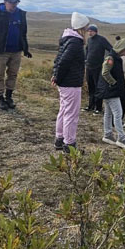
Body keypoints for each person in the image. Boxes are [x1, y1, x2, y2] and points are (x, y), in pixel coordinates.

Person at [0, 0, 32, 110]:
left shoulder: (21, 14)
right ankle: (0, 99)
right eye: (11, 2)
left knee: (13, 74)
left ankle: (9, 97)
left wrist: (25, 48)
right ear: (5, 2)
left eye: (16, 2)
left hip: (16, 51)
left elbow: (23, 33)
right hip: (1, 51)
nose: (14, 5)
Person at [51, 12, 89, 152]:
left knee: (64, 111)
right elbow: (64, 61)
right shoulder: (75, 43)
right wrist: (57, 77)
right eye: (86, 27)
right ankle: (69, 145)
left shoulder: (68, 39)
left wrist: (56, 76)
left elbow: (59, 59)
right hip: (71, 83)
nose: (87, 29)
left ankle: (60, 139)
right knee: (71, 114)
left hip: (66, 82)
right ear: (81, 28)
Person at [98, 37, 125, 150]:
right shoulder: (111, 58)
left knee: (108, 113)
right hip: (111, 91)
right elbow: (105, 72)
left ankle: (108, 135)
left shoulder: (115, 57)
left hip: (109, 91)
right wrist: (113, 83)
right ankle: (121, 138)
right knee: (118, 114)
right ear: (122, 48)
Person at [83, 24, 111, 113]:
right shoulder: (89, 40)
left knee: (98, 87)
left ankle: (98, 108)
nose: (89, 33)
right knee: (90, 87)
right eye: (88, 31)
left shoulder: (101, 40)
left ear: (95, 31)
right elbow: (87, 51)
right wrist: (85, 59)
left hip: (98, 67)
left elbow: (110, 49)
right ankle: (90, 106)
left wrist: (108, 60)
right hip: (89, 67)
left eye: (91, 31)